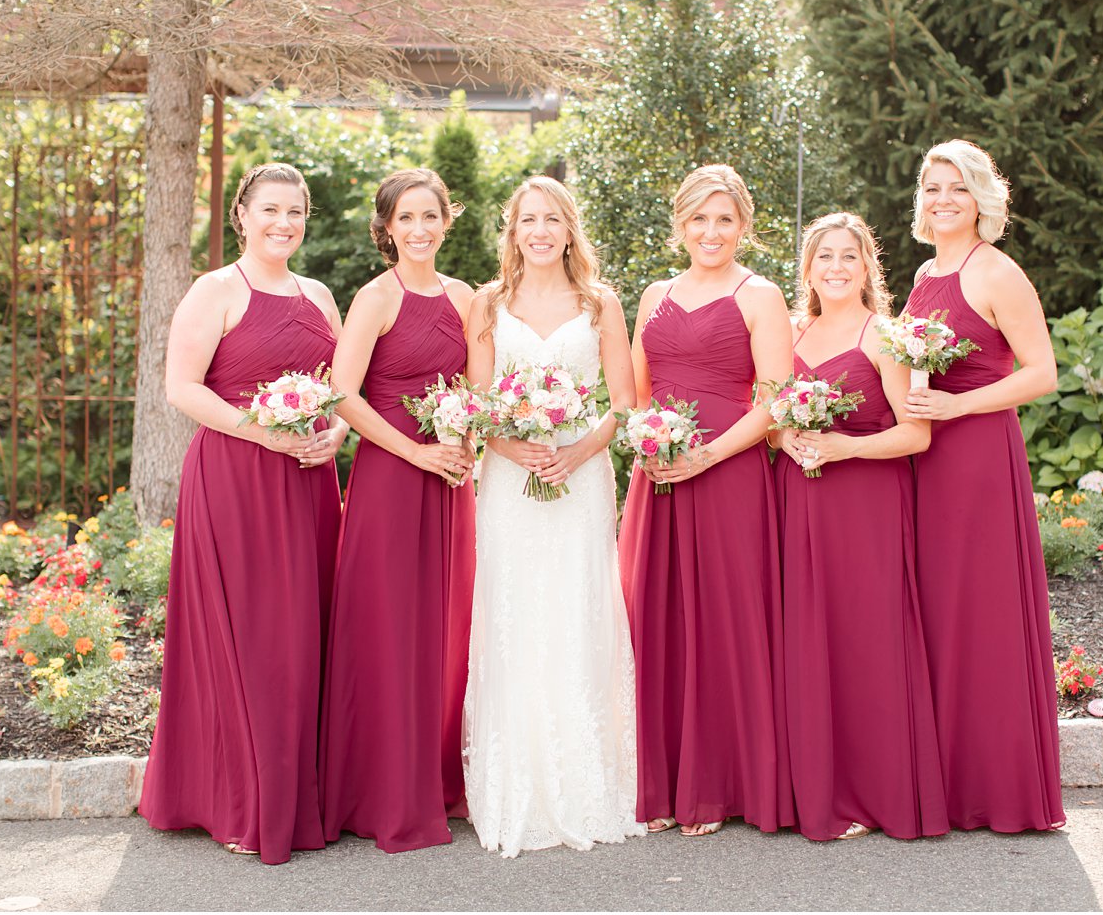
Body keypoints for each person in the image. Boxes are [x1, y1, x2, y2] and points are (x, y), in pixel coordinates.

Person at [139, 162, 347, 865]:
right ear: (242, 214)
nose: (283, 223)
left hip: (308, 483)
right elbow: (181, 388)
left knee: (303, 635)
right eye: (270, 210)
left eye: (294, 212)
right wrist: (262, 431)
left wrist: (334, 435)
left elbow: (340, 391)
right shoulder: (215, 290)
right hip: (236, 477)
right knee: (249, 636)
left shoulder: (319, 295)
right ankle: (241, 798)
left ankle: (300, 793)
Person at [461, 176, 643, 858]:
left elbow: (621, 402)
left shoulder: (600, 303)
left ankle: (585, 776)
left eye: (552, 220)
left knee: (574, 610)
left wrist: (574, 452)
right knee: (514, 611)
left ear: (570, 230)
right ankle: (515, 786)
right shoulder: (489, 302)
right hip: (509, 480)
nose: (539, 231)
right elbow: (478, 406)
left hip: (581, 477)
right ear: (511, 231)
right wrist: (517, 448)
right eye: (526, 220)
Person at [617, 164, 794, 838]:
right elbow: (636, 390)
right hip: (660, 475)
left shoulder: (761, 295)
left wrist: (708, 456)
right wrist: (648, 443)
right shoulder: (655, 294)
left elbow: (775, 399)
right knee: (657, 619)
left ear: (743, 226)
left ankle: (718, 787)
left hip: (728, 472)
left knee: (724, 622)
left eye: (724, 219)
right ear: (680, 225)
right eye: (698, 218)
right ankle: (663, 783)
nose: (711, 231)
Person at [901, 139, 1065, 833]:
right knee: (938, 614)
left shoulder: (996, 271)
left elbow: (1042, 372)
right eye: (933, 188)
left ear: (981, 200)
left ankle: (999, 791)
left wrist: (959, 406)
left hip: (976, 457)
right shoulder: (922, 273)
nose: (944, 201)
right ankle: (946, 779)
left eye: (957, 189)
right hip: (924, 457)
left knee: (982, 613)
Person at [770, 212, 948, 842]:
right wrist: (790, 440)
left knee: (867, 639)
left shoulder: (885, 337)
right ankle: (816, 786)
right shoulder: (790, 330)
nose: (836, 268)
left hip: (867, 502)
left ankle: (876, 792)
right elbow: (768, 412)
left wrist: (842, 448)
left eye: (849, 256)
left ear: (868, 266)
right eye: (825, 257)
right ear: (808, 268)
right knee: (808, 639)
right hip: (799, 497)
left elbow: (916, 433)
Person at [318, 167, 477, 854]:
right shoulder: (374, 298)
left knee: (443, 631)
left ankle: (435, 778)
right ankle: (380, 791)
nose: (418, 230)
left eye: (430, 216)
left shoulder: (468, 298)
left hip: (450, 479)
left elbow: (478, 386)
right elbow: (343, 394)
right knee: (387, 630)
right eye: (405, 218)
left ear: (448, 222)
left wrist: (462, 437)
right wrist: (414, 454)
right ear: (386, 228)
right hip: (392, 476)